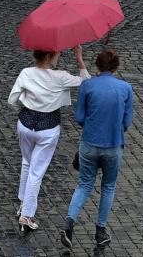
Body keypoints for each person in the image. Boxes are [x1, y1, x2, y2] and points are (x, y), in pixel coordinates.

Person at [8, 46, 89, 233]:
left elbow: (12, 99)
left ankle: (22, 203)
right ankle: (26, 215)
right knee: (37, 171)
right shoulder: (60, 77)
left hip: (25, 124)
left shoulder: (26, 73)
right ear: (50, 55)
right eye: (58, 52)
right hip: (48, 129)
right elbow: (86, 82)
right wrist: (79, 59)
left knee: (27, 163)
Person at [61, 49, 135, 249]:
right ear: (116, 66)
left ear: (97, 65)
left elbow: (79, 118)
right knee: (108, 187)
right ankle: (100, 230)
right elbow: (127, 122)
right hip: (113, 145)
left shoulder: (87, 85)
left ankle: (69, 222)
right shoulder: (126, 88)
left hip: (89, 144)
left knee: (84, 185)